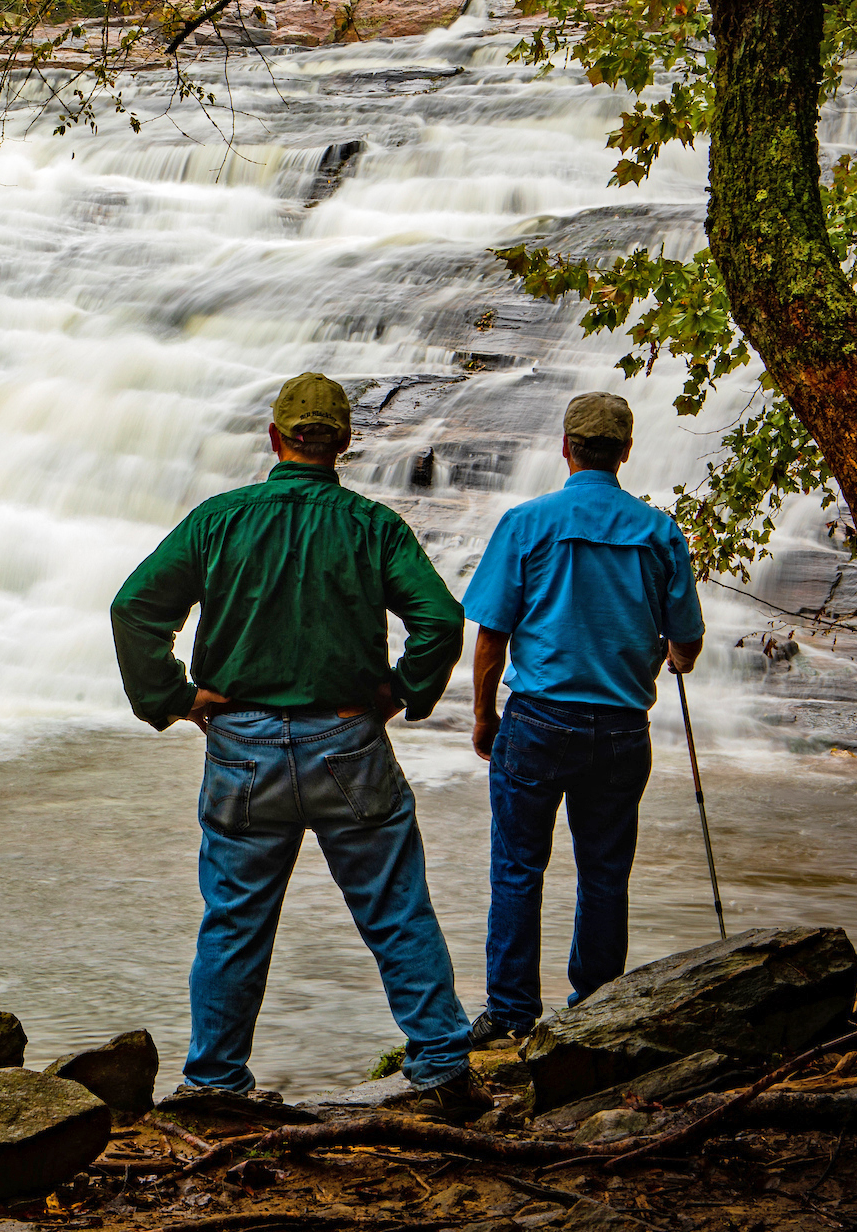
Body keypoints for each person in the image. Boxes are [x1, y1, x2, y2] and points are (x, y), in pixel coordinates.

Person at [110, 372, 490, 1118]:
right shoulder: (372, 526)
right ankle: (442, 1063)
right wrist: (398, 692)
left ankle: (216, 1082)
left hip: (242, 747)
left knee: (235, 919)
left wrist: (175, 699)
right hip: (348, 741)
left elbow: (134, 608)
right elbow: (441, 621)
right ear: (345, 444)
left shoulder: (220, 520)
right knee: (394, 906)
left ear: (275, 439)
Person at [459, 391, 706, 1048]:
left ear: (565, 449)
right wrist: (673, 657)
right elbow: (687, 641)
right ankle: (595, 1006)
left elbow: (491, 636)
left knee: (517, 869)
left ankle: (510, 1014)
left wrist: (484, 718)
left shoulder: (526, 522)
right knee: (604, 873)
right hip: (622, 729)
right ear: (626, 452)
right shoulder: (658, 532)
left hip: (537, 721)